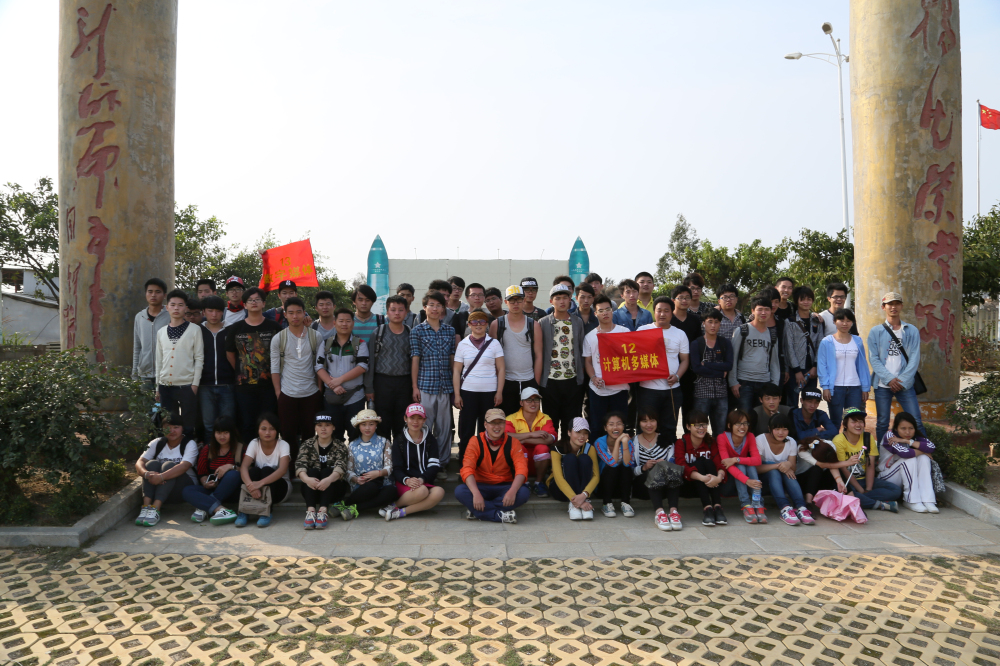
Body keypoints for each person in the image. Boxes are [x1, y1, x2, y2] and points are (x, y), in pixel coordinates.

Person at [868, 292, 926, 444]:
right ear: (884, 307)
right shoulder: (876, 331)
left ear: (901, 306)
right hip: (882, 384)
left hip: (904, 384)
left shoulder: (911, 330)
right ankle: (882, 454)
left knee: (916, 420)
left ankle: (925, 451)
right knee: (882, 422)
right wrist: (889, 379)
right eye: (890, 304)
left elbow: (914, 358)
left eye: (896, 304)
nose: (893, 307)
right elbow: (873, 358)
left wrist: (901, 380)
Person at [226, 287, 281, 441]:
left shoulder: (274, 327)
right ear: (244, 305)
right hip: (244, 387)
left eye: (257, 299)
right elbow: (230, 353)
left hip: (269, 386)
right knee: (247, 424)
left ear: (264, 303)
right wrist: (240, 369)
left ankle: (269, 454)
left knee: (269, 424)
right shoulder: (236, 328)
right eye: (250, 300)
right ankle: (248, 455)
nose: (254, 302)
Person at [457, 408, 530, 523]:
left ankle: (478, 511)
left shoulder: (513, 442)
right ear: (485, 424)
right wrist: (476, 494)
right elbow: (467, 469)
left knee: (524, 493)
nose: (497, 426)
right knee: (460, 491)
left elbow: (522, 469)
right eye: (493, 423)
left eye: (500, 422)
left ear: (505, 424)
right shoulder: (475, 441)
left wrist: (512, 491)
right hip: (480, 485)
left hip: (505, 486)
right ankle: (499, 515)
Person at [411, 291, 457, 470]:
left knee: (444, 428)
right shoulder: (417, 331)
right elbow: (415, 359)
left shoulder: (450, 331)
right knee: (424, 427)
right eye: (431, 305)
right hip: (425, 386)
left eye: (439, 305)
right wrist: (415, 387)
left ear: (443, 308)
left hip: (445, 386)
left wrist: (455, 386)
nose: (435, 308)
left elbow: (452, 359)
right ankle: (424, 462)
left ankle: (442, 463)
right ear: (425, 307)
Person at [270, 296, 322, 456]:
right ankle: (290, 467)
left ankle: (307, 465)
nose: (295, 316)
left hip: (311, 393)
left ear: (304, 313)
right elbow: (275, 368)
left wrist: (319, 389)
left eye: (298, 312)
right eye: (291, 312)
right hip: (287, 393)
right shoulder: (279, 338)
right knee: (287, 434)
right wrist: (278, 393)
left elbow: (320, 365)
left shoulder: (315, 336)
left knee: (310, 433)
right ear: (285, 314)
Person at [453, 311, 505, 463]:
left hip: (489, 392)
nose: (478, 325)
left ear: (487, 324)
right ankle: (465, 463)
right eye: (474, 322)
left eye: (482, 321)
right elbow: (456, 370)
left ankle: (484, 463)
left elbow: (501, 368)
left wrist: (499, 392)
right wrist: (457, 394)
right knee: (466, 430)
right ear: (469, 325)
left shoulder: (494, 343)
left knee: (486, 430)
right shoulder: (463, 344)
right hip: (468, 392)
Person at [155, 290, 204, 443]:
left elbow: (199, 358)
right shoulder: (161, 332)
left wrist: (195, 385)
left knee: (188, 425)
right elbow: (159, 361)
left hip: (187, 386)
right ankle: (169, 451)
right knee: (168, 423)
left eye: (180, 305)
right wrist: (157, 386)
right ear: (167, 307)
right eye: (173, 305)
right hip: (165, 386)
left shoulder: (194, 330)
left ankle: (187, 452)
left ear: (185, 308)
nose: (176, 308)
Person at [539, 284, 586, 442]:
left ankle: (567, 452)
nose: (562, 301)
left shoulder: (577, 322)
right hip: (550, 381)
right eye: (558, 298)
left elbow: (581, 348)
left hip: (572, 380)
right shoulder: (543, 323)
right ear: (551, 301)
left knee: (570, 421)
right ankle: (552, 452)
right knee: (550, 421)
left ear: (570, 300)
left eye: (565, 298)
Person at [637, 296, 689, 439]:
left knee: (669, 427)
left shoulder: (680, 334)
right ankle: (644, 453)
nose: (662, 314)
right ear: (654, 312)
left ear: (672, 313)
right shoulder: (642, 330)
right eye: (659, 310)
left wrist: (677, 376)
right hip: (647, 389)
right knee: (645, 426)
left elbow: (685, 360)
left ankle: (668, 452)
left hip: (672, 389)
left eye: (666, 311)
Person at [134, 412, 198, 527]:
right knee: (151, 464)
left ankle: (156, 509)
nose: (171, 431)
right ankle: (146, 507)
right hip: (161, 488)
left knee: (169, 465)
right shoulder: (157, 442)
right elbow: (139, 462)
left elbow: (184, 466)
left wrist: (161, 477)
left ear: (182, 428)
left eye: (176, 427)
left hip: (182, 488)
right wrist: (146, 474)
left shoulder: (189, 444)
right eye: (167, 427)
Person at [831, 407, 900, 512]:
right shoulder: (838, 440)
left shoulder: (867, 437)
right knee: (848, 493)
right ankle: (878, 504)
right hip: (849, 481)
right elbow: (844, 469)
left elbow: (870, 465)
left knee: (896, 490)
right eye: (854, 422)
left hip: (865, 479)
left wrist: (868, 489)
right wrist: (860, 489)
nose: (858, 425)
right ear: (845, 424)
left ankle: (861, 500)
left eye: (861, 421)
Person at [315, 307, 369, 441]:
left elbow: (362, 366)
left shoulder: (360, 344)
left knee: (355, 435)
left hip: (355, 397)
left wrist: (339, 380)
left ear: (353, 323)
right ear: (334, 323)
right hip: (331, 397)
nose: (344, 324)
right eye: (341, 321)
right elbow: (319, 366)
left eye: (348, 321)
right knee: (333, 436)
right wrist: (333, 385)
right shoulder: (326, 343)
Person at [364, 294, 414, 440]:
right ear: (387, 312)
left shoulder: (411, 333)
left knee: (402, 422)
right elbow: (370, 361)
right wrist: (369, 388)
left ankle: (399, 452)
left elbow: (414, 361)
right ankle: (384, 452)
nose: (397, 313)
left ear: (406, 312)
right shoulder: (378, 332)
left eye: (400, 310)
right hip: (382, 383)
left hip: (404, 384)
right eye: (393, 310)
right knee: (382, 422)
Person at [386, 404, 446, 521]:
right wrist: (407, 480)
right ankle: (393, 505)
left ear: (424, 420)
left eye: (419, 418)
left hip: (423, 481)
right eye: (412, 418)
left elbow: (434, 465)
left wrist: (422, 479)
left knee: (439, 492)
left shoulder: (430, 440)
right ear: (405, 419)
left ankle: (400, 512)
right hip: (405, 482)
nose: (415, 421)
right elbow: (397, 468)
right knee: (422, 491)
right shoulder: (399, 440)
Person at [489, 286, 543, 415]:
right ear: (506, 302)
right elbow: (491, 356)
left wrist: (536, 383)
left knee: (529, 419)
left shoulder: (533, 325)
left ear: (524, 301)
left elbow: (539, 355)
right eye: (512, 300)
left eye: (519, 300)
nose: (515, 304)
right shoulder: (497, 324)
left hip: (528, 379)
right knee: (507, 420)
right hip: (505, 381)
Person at [335, 410, 397, 520]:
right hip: (363, 486)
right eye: (363, 424)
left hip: (382, 483)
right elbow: (348, 471)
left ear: (376, 425)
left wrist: (378, 473)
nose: (367, 428)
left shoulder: (384, 442)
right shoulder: (353, 445)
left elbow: (389, 467)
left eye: (371, 424)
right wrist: (356, 479)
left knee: (391, 491)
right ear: (358, 426)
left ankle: (353, 507)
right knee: (371, 487)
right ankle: (349, 505)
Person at [583, 295, 630, 437]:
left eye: (608, 309)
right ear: (595, 313)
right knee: (597, 427)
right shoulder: (590, 336)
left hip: (620, 389)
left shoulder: (624, 332)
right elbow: (588, 362)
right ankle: (597, 452)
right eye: (601, 310)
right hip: (598, 389)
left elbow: (632, 358)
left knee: (620, 427)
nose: (605, 313)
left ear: (612, 311)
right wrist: (593, 377)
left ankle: (621, 451)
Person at [182, 416, 243, 525]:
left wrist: (230, 466)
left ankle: (204, 507)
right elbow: (202, 473)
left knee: (233, 474)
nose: (222, 436)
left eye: (226, 432)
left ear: (232, 432)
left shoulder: (240, 448)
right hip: (213, 489)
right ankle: (221, 510)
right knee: (187, 490)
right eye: (218, 432)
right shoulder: (207, 449)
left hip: (233, 491)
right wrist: (206, 483)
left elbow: (249, 470)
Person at [757, 414, 814, 526]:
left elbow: (793, 468)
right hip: (764, 481)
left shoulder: (791, 441)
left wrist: (788, 464)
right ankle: (785, 508)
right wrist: (779, 465)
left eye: (785, 429)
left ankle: (801, 507)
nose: (781, 433)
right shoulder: (760, 440)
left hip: (783, 481)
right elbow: (757, 468)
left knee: (788, 472)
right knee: (774, 471)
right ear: (769, 429)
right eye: (777, 429)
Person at [295, 412, 349, 530]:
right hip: (312, 490)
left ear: (333, 427)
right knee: (312, 472)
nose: (323, 428)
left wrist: (328, 480)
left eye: (327, 425)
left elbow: (341, 467)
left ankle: (323, 511)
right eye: (319, 425)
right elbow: (300, 465)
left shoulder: (340, 446)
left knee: (327, 472)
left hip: (333, 490)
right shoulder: (307, 444)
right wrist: (307, 479)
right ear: (315, 427)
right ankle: (311, 511)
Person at [236, 413, 292, 528]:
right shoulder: (254, 443)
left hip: (280, 489)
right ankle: (244, 511)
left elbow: (282, 470)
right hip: (257, 489)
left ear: (277, 430)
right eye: (263, 429)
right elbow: (244, 467)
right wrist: (250, 486)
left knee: (267, 470)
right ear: (258, 430)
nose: (267, 432)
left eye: (272, 429)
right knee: (254, 471)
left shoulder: (283, 445)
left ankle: (266, 513)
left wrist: (260, 483)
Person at [630, 410, 683, 531]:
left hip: (664, 487)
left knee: (671, 469)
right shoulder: (633, 442)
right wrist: (644, 467)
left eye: (652, 420)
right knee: (653, 470)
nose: (649, 424)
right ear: (639, 423)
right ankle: (659, 513)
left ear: (657, 422)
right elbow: (630, 472)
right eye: (644, 421)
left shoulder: (667, 440)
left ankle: (674, 512)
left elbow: (674, 466)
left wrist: (665, 464)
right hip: (643, 487)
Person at [818, 308, 871, 427]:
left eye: (848, 321)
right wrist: (825, 387)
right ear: (834, 321)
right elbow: (822, 366)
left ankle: (851, 440)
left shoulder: (857, 341)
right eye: (841, 320)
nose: (845, 323)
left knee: (853, 421)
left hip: (855, 388)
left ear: (852, 323)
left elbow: (862, 365)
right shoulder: (827, 342)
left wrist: (865, 387)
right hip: (835, 388)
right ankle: (835, 440)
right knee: (835, 421)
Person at [674, 411, 727, 527]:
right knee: (698, 463)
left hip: (712, 482)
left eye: (704, 425)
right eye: (697, 425)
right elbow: (681, 466)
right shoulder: (681, 443)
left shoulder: (711, 442)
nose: (701, 428)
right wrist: (702, 478)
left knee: (708, 462)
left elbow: (720, 463)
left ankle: (717, 506)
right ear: (688, 427)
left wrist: (718, 478)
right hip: (689, 484)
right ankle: (707, 508)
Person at [878, 412, 939, 513]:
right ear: (896, 428)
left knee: (923, 458)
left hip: (905, 476)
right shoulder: (890, 436)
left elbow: (932, 447)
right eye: (903, 428)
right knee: (910, 459)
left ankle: (928, 500)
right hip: (887, 477)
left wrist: (908, 441)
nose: (908, 432)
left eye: (911, 428)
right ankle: (911, 500)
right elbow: (905, 453)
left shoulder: (913, 437)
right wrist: (924, 450)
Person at [729, 296, 781, 414]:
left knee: (761, 417)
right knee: (745, 417)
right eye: (760, 309)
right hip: (744, 382)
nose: (763, 313)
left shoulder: (772, 335)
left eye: (767, 309)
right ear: (753, 311)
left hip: (764, 382)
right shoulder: (742, 330)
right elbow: (733, 358)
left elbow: (774, 362)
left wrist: (774, 384)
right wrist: (733, 382)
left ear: (771, 311)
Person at [505, 387, 557, 498]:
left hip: (539, 463)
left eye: (536, 400)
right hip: (519, 462)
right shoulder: (511, 418)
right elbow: (506, 437)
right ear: (521, 403)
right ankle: (524, 482)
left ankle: (539, 483)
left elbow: (550, 439)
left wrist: (524, 439)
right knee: (519, 447)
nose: (533, 403)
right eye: (529, 400)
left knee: (543, 448)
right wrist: (531, 434)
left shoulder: (545, 418)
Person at [717, 410, 765, 524]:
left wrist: (736, 459)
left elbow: (757, 460)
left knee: (749, 466)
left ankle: (757, 502)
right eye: (738, 423)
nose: (742, 427)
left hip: (745, 479)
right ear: (730, 425)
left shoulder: (750, 436)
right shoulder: (722, 438)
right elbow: (727, 465)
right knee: (741, 466)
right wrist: (747, 480)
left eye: (745, 423)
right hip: (728, 481)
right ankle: (746, 504)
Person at [199, 296, 236, 442]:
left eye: (218, 311)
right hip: (204, 385)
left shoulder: (231, 330)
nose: (214, 314)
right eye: (210, 310)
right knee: (209, 425)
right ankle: (209, 454)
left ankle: (229, 454)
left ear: (223, 312)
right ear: (204, 312)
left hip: (227, 385)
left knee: (228, 425)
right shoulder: (197, 331)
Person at [690, 310, 732, 439]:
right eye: (710, 322)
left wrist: (707, 364)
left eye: (716, 322)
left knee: (720, 431)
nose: (713, 325)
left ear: (720, 324)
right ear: (703, 323)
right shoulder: (696, 343)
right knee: (699, 428)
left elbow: (729, 365)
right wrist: (719, 372)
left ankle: (719, 451)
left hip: (721, 393)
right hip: (702, 393)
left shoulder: (725, 343)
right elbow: (696, 368)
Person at [547, 417, 599, 521]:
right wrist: (575, 499)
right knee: (570, 458)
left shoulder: (590, 449)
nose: (582, 436)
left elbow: (596, 476)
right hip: (560, 490)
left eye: (585, 433)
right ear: (569, 432)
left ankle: (582, 501)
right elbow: (558, 478)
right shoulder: (557, 448)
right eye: (578, 432)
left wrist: (584, 495)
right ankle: (574, 505)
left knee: (584, 458)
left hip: (583, 492)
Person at [784, 286, 825, 407]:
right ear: (797, 301)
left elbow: (820, 344)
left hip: (812, 369)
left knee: (810, 402)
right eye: (802, 299)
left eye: (809, 299)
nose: (806, 302)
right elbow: (789, 348)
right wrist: (797, 371)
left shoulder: (817, 321)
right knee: (792, 403)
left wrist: (815, 366)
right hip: (795, 370)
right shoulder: (790, 322)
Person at [594, 412, 635, 518]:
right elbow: (612, 463)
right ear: (605, 428)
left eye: (619, 424)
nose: (615, 427)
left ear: (623, 427)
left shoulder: (628, 442)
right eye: (611, 424)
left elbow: (628, 463)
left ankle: (626, 503)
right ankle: (606, 504)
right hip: (604, 487)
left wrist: (624, 443)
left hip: (621, 487)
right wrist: (617, 442)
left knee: (625, 468)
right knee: (611, 468)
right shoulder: (599, 442)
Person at [670, 286, 701, 424]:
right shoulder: (668, 319)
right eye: (681, 297)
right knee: (672, 410)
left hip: (690, 371)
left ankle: (688, 435)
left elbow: (698, 343)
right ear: (673, 300)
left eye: (687, 297)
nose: (684, 300)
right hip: (671, 371)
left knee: (689, 408)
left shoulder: (695, 320)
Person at [132, 277, 168, 389]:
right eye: (150, 291)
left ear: (164, 295)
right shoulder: (140, 317)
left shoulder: (170, 315)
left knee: (163, 401)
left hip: (165, 373)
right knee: (145, 401)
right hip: (144, 374)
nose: (153, 295)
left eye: (158, 292)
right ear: (145, 294)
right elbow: (137, 346)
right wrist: (134, 374)